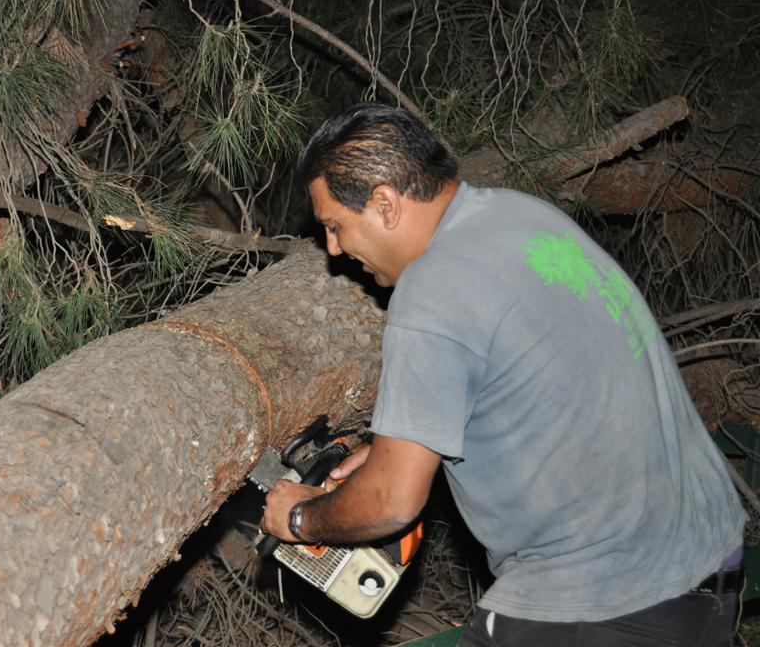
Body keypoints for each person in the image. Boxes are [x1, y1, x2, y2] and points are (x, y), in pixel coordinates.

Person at [259, 103, 747, 646]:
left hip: (602, 600)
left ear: (384, 204)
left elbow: (391, 503)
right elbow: (542, 372)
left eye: (334, 226)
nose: (333, 249)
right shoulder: (520, 217)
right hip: (701, 564)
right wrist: (396, 446)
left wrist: (301, 520)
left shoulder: (431, 291)